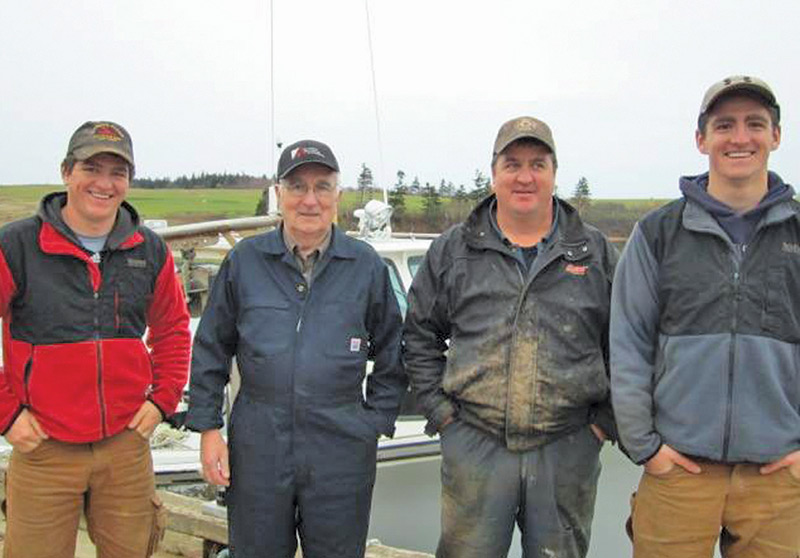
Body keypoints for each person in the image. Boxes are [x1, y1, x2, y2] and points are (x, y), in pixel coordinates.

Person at [403, 116, 618, 558]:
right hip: (474, 445)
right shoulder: (454, 250)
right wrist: (442, 414)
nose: (525, 176)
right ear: (493, 172)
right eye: (512, 163)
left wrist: (603, 423)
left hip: (568, 446)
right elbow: (419, 334)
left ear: (554, 173)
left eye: (537, 164)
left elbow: (627, 346)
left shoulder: (594, 253)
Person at [186, 139, 406, 558]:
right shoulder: (245, 262)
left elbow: (395, 350)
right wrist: (209, 429)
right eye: (297, 187)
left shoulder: (366, 267)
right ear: (279, 194)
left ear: (337, 196)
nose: (310, 200)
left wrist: (372, 422)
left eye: (322, 187)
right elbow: (211, 347)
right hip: (258, 446)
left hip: (341, 448)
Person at [611, 75, 800, 557]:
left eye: (755, 124)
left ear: (775, 136)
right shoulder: (658, 233)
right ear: (702, 139)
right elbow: (628, 344)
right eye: (724, 125)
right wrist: (646, 449)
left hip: (780, 482)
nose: (740, 137)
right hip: (678, 474)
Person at [0, 120, 191, 558]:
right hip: (42, 445)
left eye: (117, 172)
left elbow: (174, 328)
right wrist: (6, 414)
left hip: (126, 447)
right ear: (67, 171)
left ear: (129, 181)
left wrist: (162, 398)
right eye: (92, 167)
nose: (104, 183)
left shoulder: (150, 250)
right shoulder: (16, 246)